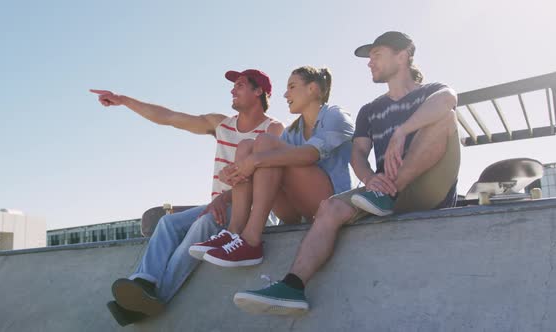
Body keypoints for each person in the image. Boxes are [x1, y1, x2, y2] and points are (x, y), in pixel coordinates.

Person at [232, 31, 460, 315]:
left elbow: (449, 99)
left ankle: (389, 190)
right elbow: (357, 154)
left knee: (445, 117)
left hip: (430, 187)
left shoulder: (431, 92)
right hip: (383, 190)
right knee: (330, 208)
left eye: (377, 55)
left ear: (403, 56)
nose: (369, 63)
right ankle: (292, 286)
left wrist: (403, 130)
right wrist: (367, 179)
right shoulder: (370, 110)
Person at [90, 69, 284, 326]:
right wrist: (124, 100)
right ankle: (144, 282)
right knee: (168, 223)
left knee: (203, 224)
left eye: (239, 85)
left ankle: (157, 298)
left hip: (252, 212)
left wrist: (223, 199)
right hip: (220, 207)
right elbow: (170, 118)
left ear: (259, 91)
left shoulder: (273, 128)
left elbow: (268, 176)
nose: (232, 90)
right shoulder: (221, 124)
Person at [189, 66, 356, 268]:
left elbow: (309, 155)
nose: (286, 94)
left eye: (292, 87)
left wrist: (255, 161)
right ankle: (234, 232)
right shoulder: (294, 129)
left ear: (312, 89)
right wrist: (232, 180)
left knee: (265, 146)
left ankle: (251, 240)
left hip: (332, 205)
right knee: (246, 146)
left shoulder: (335, 115)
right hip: (296, 211)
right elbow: (267, 165)